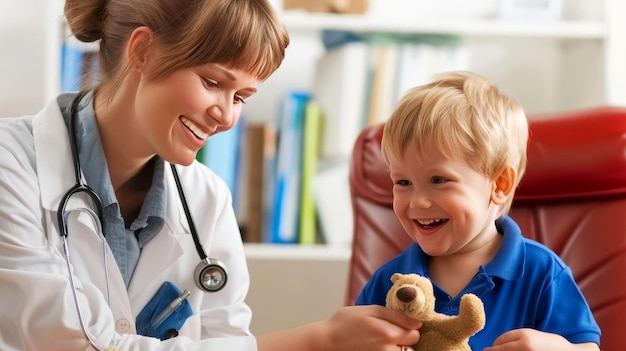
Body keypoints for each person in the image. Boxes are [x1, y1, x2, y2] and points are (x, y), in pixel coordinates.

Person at [0, 0, 422, 350]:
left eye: (241, 96)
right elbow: (75, 343)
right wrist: (319, 340)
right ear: (143, 51)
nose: (226, 115)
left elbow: (226, 338)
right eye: (212, 81)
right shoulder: (13, 165)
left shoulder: (208, 198)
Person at [355, 71, 601, 351]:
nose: (417, 202)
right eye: (403, 182)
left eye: (438, 180)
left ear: (500, 184)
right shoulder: (389, 282)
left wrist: (555, 348)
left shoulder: (542, 272)